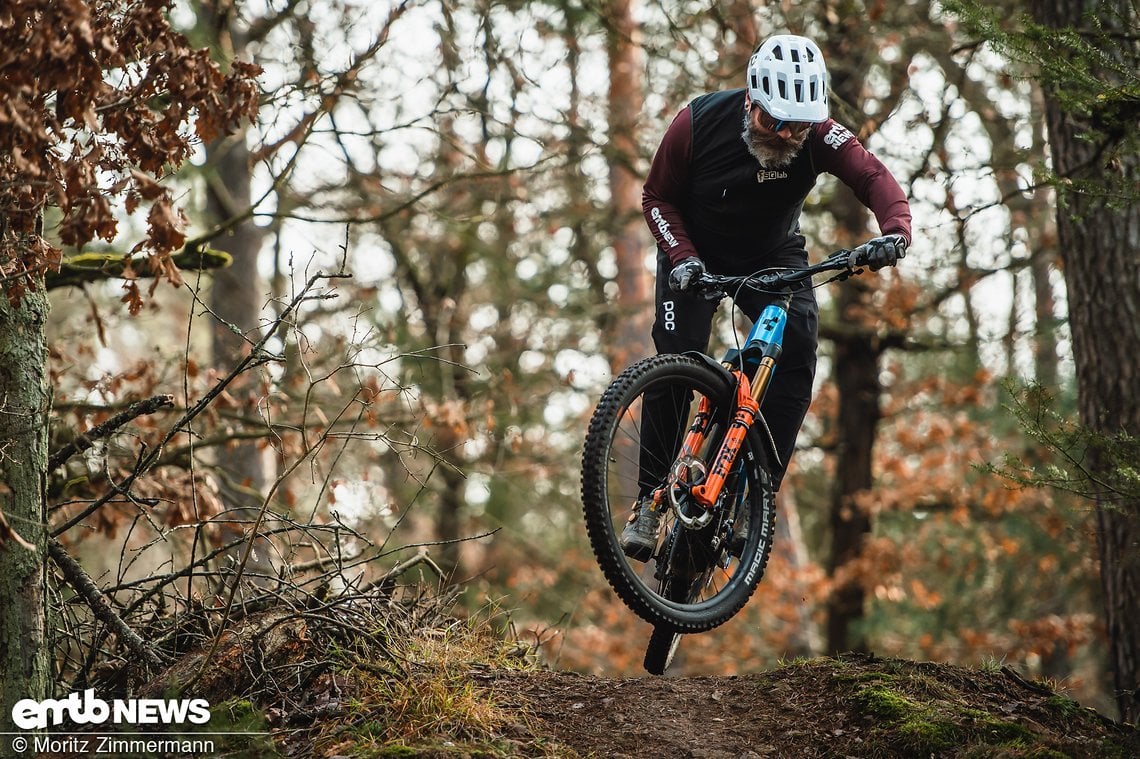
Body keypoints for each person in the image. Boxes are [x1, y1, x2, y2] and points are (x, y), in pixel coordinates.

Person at [620, 34, 912, 561]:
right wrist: (683, 257)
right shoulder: (697, 123)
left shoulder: (819, 134)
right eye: (774, 122)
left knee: (798, 349)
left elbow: (872, 175)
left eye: (798, 126)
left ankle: (755, 496)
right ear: (751, 99)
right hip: (692, 253)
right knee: (677, 362)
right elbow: (656, 196)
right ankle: (648, 502)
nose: (785, 135)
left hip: (773, 256)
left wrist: (896, 228)